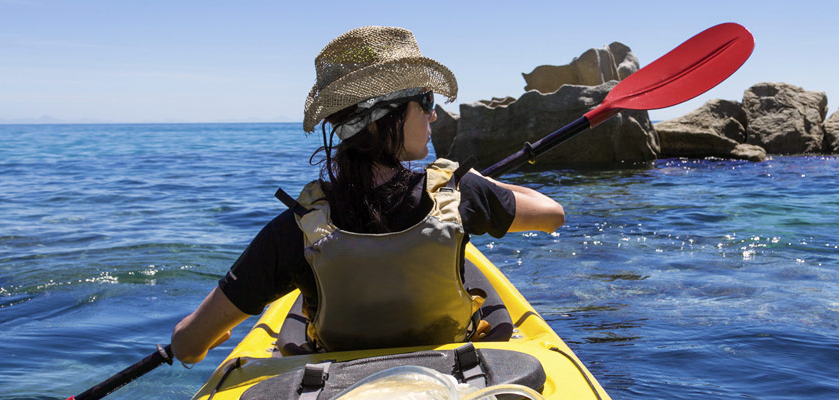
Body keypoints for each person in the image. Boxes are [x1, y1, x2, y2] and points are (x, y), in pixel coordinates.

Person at [170, 26, 565, 365]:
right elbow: (552, 215)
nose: (434, 114)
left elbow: (189, 344)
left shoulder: (296, 230)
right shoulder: (461, 196)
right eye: (426, 100)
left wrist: (193, 343)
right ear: (385, 118)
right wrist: (478, 180)